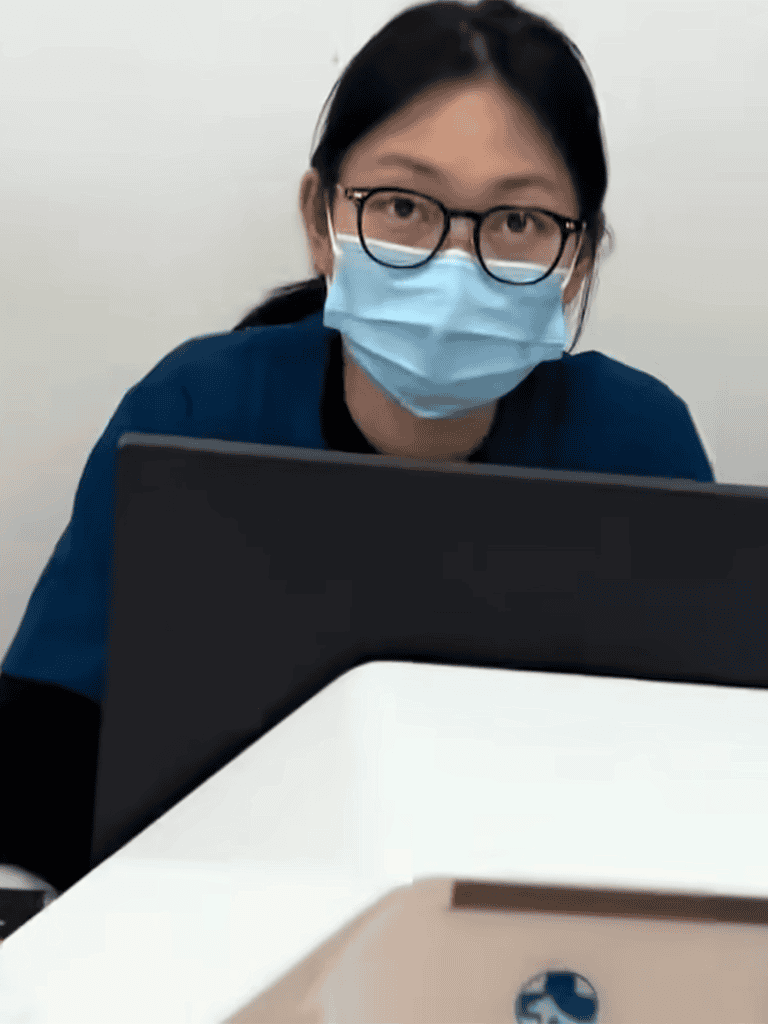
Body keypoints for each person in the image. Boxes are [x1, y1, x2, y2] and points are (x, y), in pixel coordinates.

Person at [0, 0, 714, 915]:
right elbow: (42, 754)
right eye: (405, 208)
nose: (456, 264)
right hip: (216, 919)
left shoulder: (636, 445)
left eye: (519, 223)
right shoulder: (197, 412)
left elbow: (704, 769)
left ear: (577, 259)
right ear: (320, 217)